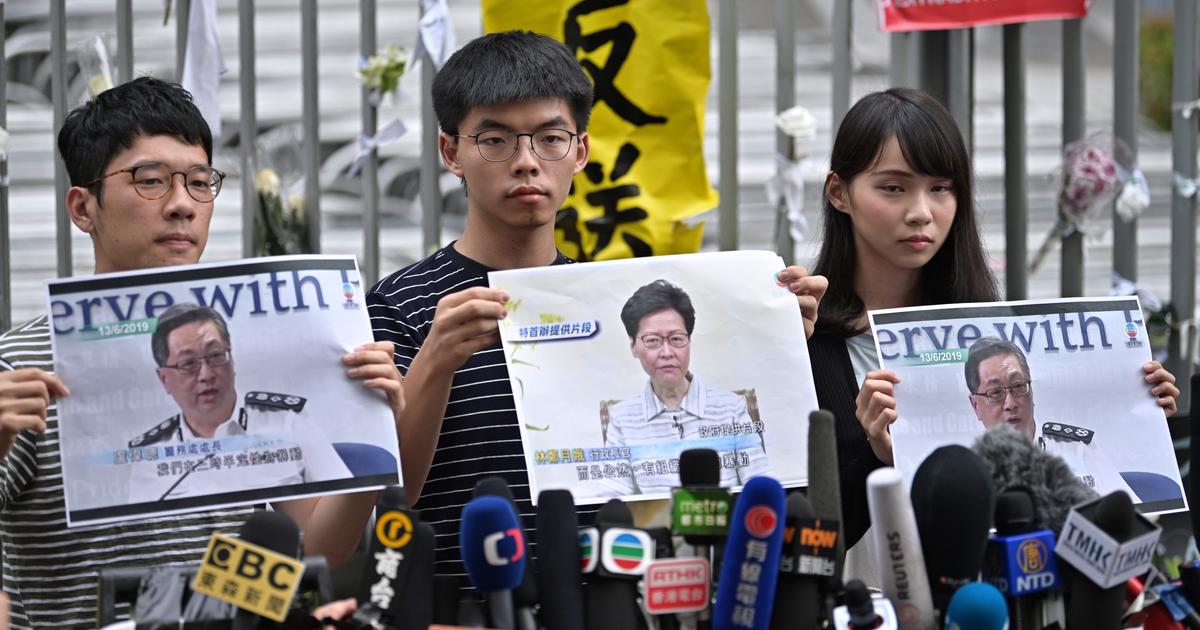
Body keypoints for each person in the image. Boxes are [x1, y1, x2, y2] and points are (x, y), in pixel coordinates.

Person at [367, 29, 827, 578]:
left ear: (580, 150)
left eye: (550, 138)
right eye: (495, 140)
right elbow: (388, 494)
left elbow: (682, 463)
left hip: (606, 596)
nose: (526, 162)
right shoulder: (400, 305)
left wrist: (769, 345)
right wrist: (435, 362)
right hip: (457, 603)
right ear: (451, 152)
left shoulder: (611, 304)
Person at [0, 77, 404, 629]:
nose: (182, 206)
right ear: (82, 207)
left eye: (199, 182)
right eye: (150, 182)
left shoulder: (262, 357)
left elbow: (320, 548)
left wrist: (374, 431)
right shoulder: (18, 368)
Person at [805, 88, 1179, 565]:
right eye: (893, 187)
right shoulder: (808, 344)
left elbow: (1084, 526)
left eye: (940, 188)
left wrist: (1134, 419)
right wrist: (875, 458)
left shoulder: (996, 335)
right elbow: (807, 540)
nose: (922, 211)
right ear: (839, 192)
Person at [126, 303, 354, 503]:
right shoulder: (150, 455)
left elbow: (351, 510)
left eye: (216, 355)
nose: (206, 374)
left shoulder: (287, 420)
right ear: (164, 379)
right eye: (188, 364)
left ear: (231, 358)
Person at [600, 279, 771, 495]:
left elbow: (761, 485)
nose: (667, 352)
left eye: (676, 339)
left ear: (689, 340)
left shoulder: (731, 409)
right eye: (653, 340)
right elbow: (612, 497)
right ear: (634, 346)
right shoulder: (622, 418)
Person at [963, 336, 1176, 500]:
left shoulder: (1078, 448)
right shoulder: (969, 475)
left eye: (1019, 387)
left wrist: (1151, 406)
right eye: (995, 393)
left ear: (1031, 391)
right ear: (976, 407)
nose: (1010, 404)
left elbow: (1128, 517)